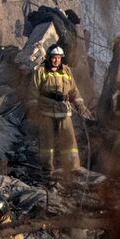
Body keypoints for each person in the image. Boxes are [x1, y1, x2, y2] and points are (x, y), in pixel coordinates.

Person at [33, 45, 81, 174]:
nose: (56, 60)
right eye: (54, 58)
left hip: (64, 110)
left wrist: (79, 104)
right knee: (47, 141)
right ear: (49, 58)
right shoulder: (41, 71)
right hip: (46, 110)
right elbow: (33, 92)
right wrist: (33, 110)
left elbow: (74, 91)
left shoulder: (66, 71)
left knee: (69, 140)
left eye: (59, 58)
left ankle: (72, 167)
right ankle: (47, 168)